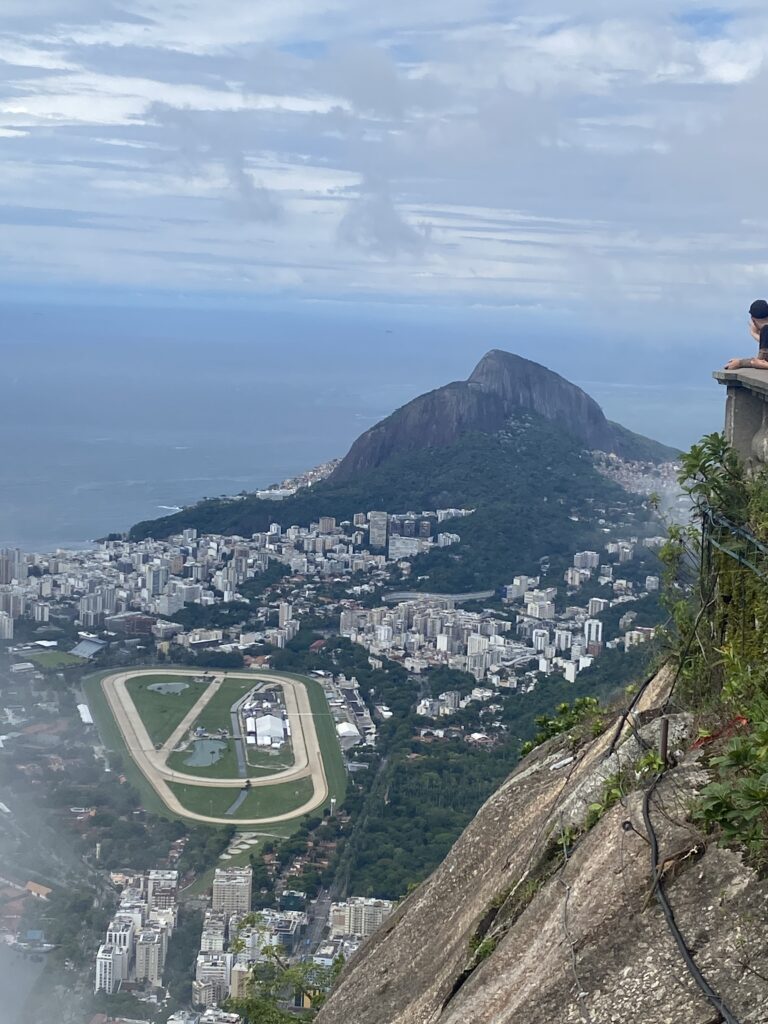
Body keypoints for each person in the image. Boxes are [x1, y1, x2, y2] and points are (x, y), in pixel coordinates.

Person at [725, 299, 768, 369]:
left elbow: (760, 361)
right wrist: (754, 334)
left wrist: (740, 363)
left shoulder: (766, 329)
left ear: (753, 320)